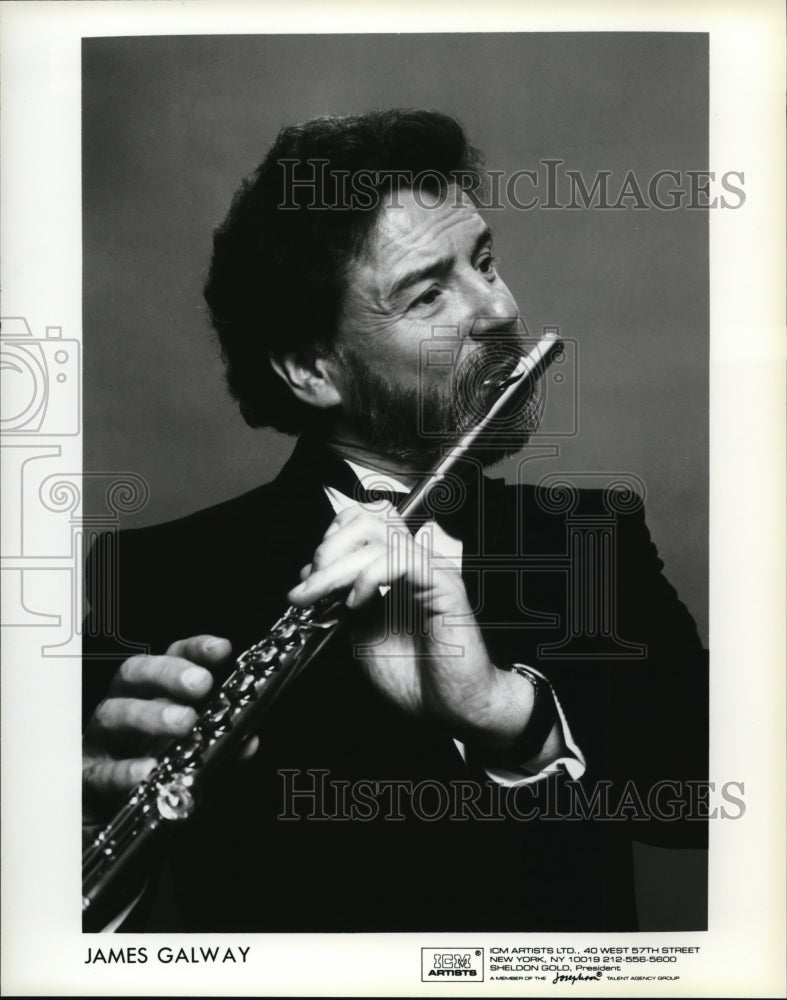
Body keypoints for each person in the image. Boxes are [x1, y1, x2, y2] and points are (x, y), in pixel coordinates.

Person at [82, 109, 708, 932]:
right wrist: (90, 833)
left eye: (483, 261)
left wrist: (504, 716)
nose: (497, 309)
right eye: (427, 292)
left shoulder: (589, 537)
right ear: (311, 368)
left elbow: (705, 797)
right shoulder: (162, 575)